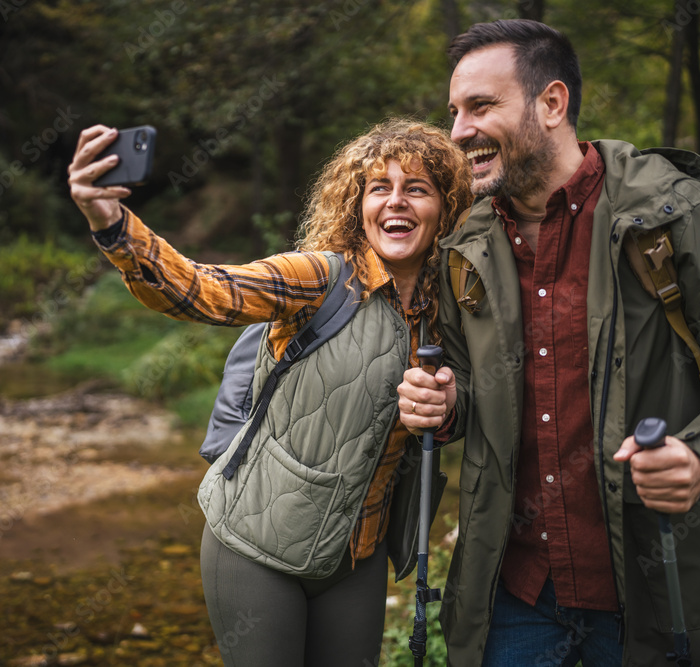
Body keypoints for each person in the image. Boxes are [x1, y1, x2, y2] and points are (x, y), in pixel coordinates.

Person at [397, 19, 700, 667]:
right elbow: (465, 387)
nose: (459, 129)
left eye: (481, 106)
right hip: (516, 593)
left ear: (552, 104)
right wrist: (441, 400)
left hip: (662, 585)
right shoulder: (464, 243)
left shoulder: (679, 214)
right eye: (454, 110)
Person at [68, 118, 473, 666]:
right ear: (357, 205)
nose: (395, 203)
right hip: (256, 545)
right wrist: (112, 224)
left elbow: (480, 401)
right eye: (380, 188)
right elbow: (204, 291)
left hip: (356, 557)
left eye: (417, 189)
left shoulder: (450, 309)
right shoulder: (321, 279)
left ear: (445, 208)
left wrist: (448, 408)